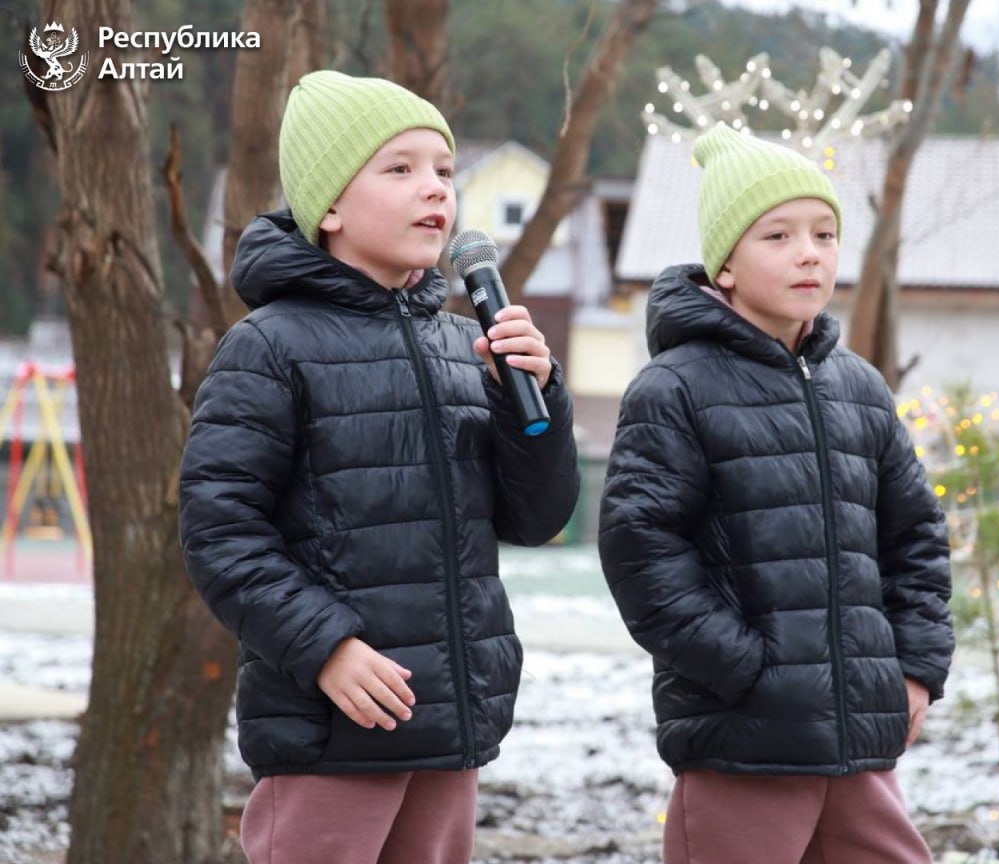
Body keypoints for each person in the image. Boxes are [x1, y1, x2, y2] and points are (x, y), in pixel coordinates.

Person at [179, 70, 579, 864]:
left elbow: (535, 520)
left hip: (450, 722)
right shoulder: (269, 347)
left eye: (443, 169)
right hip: (332, 728)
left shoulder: (463, 345)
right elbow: (220, 530)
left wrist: (533, 403)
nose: (433, 189)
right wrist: (325, 646)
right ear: (329, 206)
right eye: (399, 169)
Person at [598, 123, 954, 864]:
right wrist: (744, 669)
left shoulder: (857, 386)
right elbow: (641, 550)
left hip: (860, 738)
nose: (809, 253)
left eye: (824, 234)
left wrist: (915, 667)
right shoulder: (675, 388)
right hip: (742, 741)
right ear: (724, 265)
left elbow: (915, 535)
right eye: (778, 236)